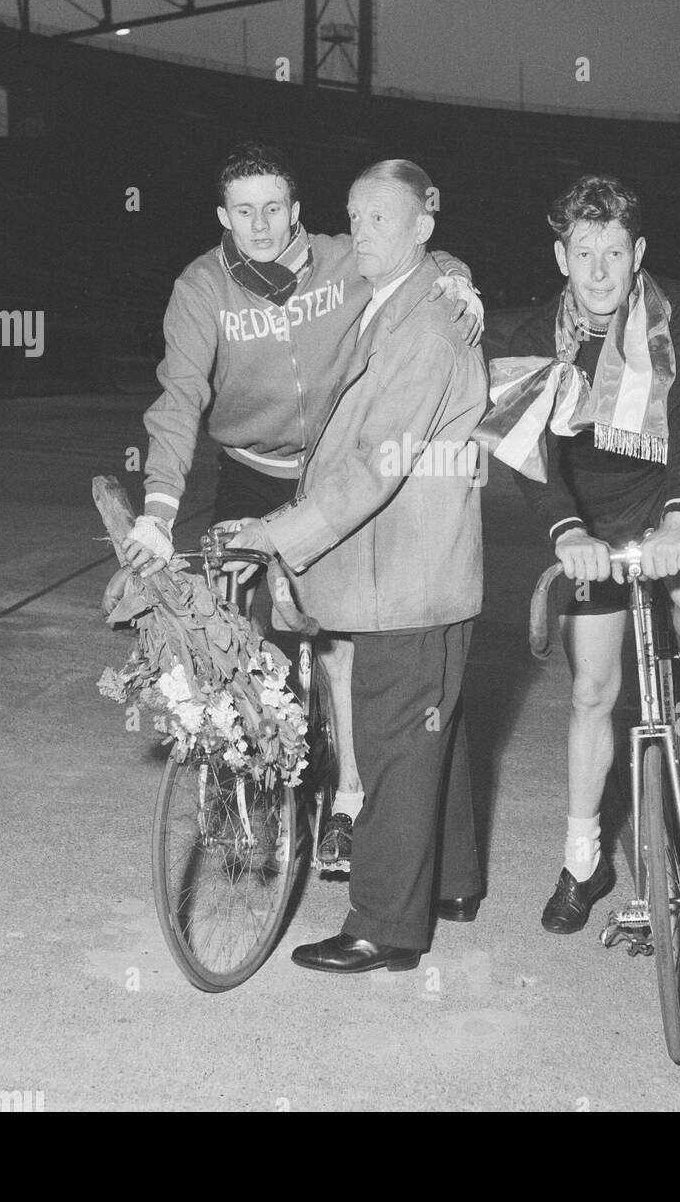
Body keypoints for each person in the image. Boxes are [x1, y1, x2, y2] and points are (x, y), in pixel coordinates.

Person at [121, 142, 482, 868]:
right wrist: (158, 509)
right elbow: (180, 396)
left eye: (274, 209)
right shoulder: (199, 288)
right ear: (224, 216)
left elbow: (415, 249)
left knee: (337, 643)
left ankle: (347, 802)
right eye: (244, 212)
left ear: (297, 212)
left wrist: (458, 277)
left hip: (331, 472)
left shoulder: (342, 256)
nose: (260, 225)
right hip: (252, 473)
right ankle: (241, 788)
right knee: (234, 636)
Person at [226, 159, 487, 973]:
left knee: (391, 743)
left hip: (406, 572)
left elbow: (377, 463)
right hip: (413, 571)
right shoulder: (412, 291)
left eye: (383, 219)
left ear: (424, 224)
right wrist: (456, 272)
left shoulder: (427, 328)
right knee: (429, 726)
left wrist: (280, 533)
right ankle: (451, 884)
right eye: (355, 217)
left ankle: (385, 926)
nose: (363, 234)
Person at [475, 174, 680, 936]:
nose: (598, 271)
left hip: (663, 496)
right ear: (561, 255)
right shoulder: (532, 337)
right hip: (584, 517)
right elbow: (529, 457)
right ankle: (583, 857)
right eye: (583, 252)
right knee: (592, 688)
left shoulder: (676, 308)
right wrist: (566, 532)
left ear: (638, 254)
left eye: (614, 253)